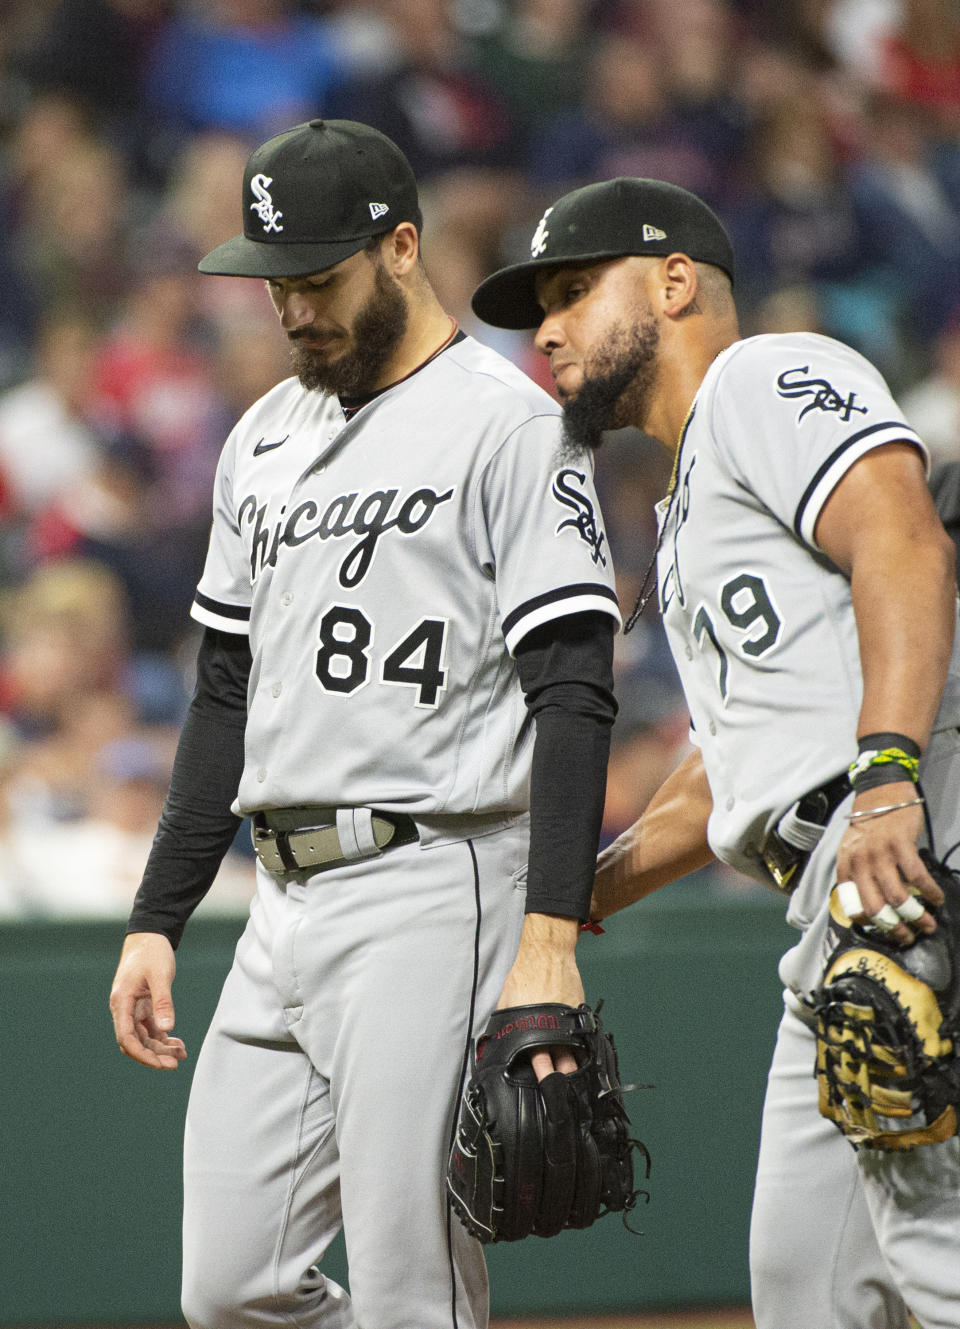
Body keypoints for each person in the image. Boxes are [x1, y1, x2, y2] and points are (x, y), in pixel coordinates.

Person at [107, 119, 621, 1329]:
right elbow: (226, 694)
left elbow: (574, 686)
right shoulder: (265, 439)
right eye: (276, 282)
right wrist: (154, 918)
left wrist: (548, 934)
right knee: (231, 1288)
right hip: (279, 900)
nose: (291, 310)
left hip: (433, 879)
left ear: (400, 248)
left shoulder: (509, 422)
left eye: (318, 279)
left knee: (410, 1288)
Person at [470, 175, 960, 1329]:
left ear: (677, 281)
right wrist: (567, 907)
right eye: (541, 304)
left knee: (938, 1258)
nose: (546, 328)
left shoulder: (764, 376)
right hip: (838, 894)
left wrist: (890, 778)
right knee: (808, 1289)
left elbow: (905, 540)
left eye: (577, 290)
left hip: (908, 859)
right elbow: (726, 779)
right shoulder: (691, 499)